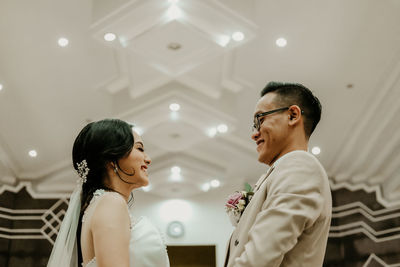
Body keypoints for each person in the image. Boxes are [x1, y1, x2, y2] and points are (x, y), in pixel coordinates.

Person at [224, 82, 332, 267]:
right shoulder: (283, 170)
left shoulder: (300, 166)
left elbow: (259, 258)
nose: (254, 134)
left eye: (260, 119)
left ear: (292, 115)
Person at [47, 119, 170, 267]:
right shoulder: (111, 203)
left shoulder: (101, 204)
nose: (148, 159)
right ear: (111, 158)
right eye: (140, 149)